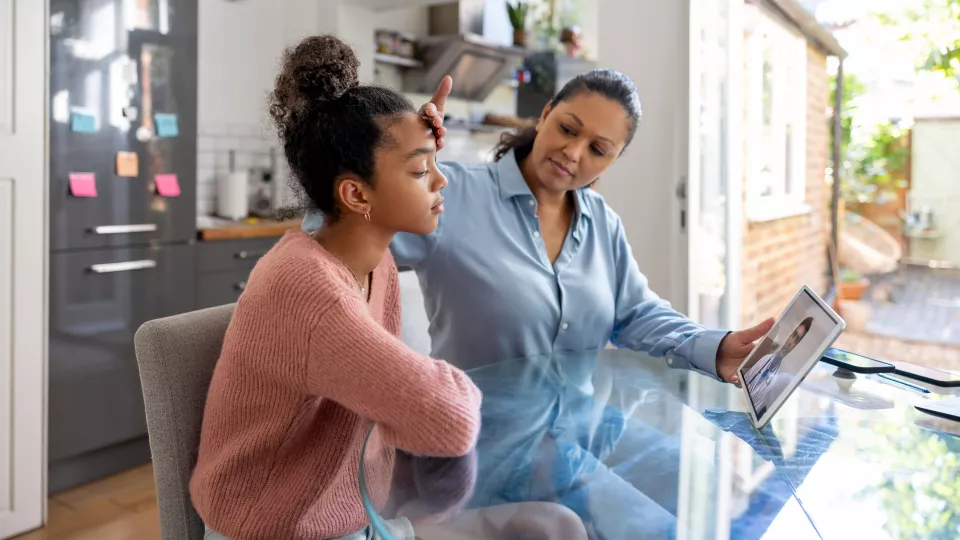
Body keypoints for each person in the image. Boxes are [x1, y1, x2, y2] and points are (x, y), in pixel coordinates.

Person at [303, 70, 776, 537]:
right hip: (472, 466)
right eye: (568, 129)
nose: (573, 153)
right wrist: (402, 160)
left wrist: (715, 348)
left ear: (614, 160)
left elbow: (635, 312)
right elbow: (326, 239)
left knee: (698, 501)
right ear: (545, 114)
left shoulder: (602, 223)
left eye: (598, 149)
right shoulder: (453, 195)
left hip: (576, 459)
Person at [192, 36, 586, 540]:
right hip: (281, 527)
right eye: (421, 170)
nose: (440, 182)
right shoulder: (305, 288)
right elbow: (449, 421)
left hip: (353, 510)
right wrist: (437, 382)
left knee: (554, 525)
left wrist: (412, 147)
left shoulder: (374, 262)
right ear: (356, 194)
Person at [744, 317, 814, 417]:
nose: (791, 342)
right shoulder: (765, 358)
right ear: (789, 335)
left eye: (797, 339)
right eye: (793, 335)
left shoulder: (785, 377)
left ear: (798, 345)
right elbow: (745, 381)